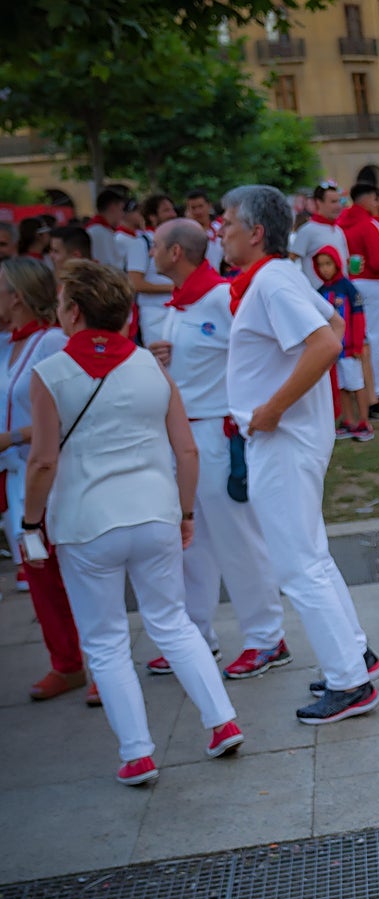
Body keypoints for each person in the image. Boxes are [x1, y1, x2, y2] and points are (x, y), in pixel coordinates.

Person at [22, 260, 243, 784]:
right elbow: (185, 450)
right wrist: (185, 511)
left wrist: (32, 522)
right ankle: (222, 722)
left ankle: (138, 753)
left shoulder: (49, 374)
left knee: (104, 640)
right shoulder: (151, 367)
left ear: (74, 312)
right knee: (173, 622)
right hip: (155, 512)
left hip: (85, 521)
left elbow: (44, 459)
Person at [221, 184, 379, 724]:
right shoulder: (279, 276)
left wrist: (271, 408)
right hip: (292, 438)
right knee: (310, 556)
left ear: (255, 232)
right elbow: (332, 324)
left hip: (282, 439)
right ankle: (353, 655)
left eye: (227, 224)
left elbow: (326, 342)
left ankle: (349, 682)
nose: (221, 233)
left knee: (297, 565)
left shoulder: (271, 280)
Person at [146, 217, 291, 679]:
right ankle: (194, 636)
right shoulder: (181, 302)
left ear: (175, 253)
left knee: (236, 540)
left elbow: (260, 351)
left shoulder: (221, 296)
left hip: (214, 434)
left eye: (154, 246)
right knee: (189, 542)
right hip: (184, 434)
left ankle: (267, 637)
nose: (147, 254)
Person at [0, 256, 89, 701]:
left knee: (69, 568)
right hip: (18, 479)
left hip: (51, 475)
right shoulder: (6, 344)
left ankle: (96, 663)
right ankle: (67, 663)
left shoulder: (53, 341)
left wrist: (12, 436)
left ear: (16, 294)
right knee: (37, 570)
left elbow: (73, 410)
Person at [337, 183, 379, 416]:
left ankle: (365, 391)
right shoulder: (367, 225)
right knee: (375, 339)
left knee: (360, 338)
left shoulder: (342, 223)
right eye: (374, 199)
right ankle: (376, 392)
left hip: (350, 283)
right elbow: (378, 261)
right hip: (371, 283)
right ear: (368, 199)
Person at [312, 245, 372, 441]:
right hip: (333, 351)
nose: (324, 269)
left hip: (349, 350)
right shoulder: (320, 291)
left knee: (356, 385)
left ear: (337, 264)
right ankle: (349, 421)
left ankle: (364, 421)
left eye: (328, 264)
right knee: (342, 387)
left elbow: (358, 317)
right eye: (320, 265)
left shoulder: (348, 288)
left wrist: (356, 345)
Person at [126, 194, 177, 345]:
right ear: (152, 217)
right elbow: (136, 284)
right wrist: (173, 288)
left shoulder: (174, 240)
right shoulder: (141, 244)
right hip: (154, 315)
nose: (173, 214)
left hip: (176, 311)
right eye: (166, 211)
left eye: (172, 209)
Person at [290, 182, 350, 290]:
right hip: (318, 297)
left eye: (339, 201)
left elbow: (345, 264)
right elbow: (290, 260)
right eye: (333, 202)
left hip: (341, 297)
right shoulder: (307, 230)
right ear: (318, 202)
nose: (338, 206)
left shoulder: (338, 231)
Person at [184, 189, 224, 272]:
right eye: (193, 208)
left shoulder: (220, 227)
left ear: (209, 206)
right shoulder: (186, 234)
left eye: (200, 206)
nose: (198, 211)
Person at [86, 190, 126, 269]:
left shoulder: (104, 230)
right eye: (121, 209)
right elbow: (106, 265)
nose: (123, 214)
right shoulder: (98, 232)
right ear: (113, 207)